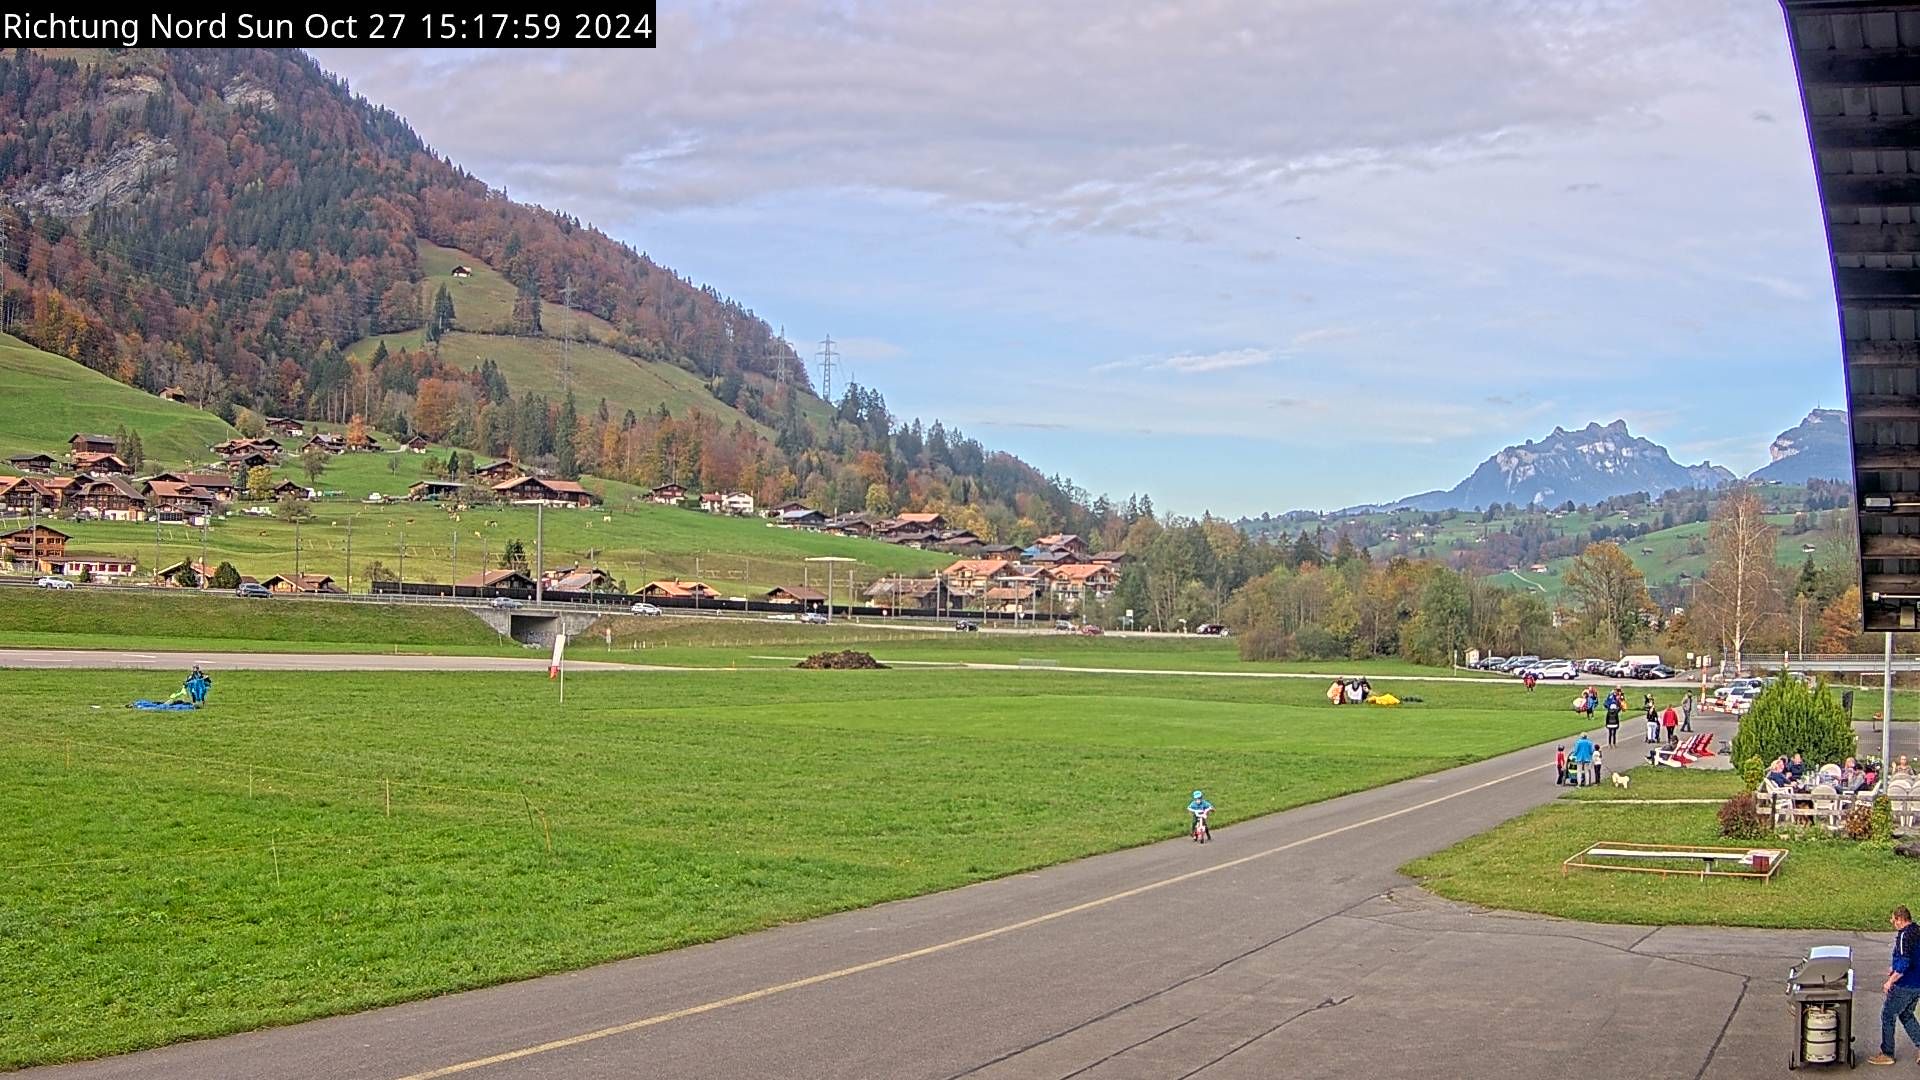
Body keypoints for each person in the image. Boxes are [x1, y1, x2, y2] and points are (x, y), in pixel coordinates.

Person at [1868, 905, 1920, 1066]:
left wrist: (1890, 981)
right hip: (1917, 983)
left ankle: (1887, 1053)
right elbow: (1912, 957)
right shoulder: (1917, 931)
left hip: (1905, 984)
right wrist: (1894, 967)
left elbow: (1904, 962)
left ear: (1900, 919)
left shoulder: (1904, 936)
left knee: (1888, 1015)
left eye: (1893, 919)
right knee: (1906, 1014)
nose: (1892, 922)